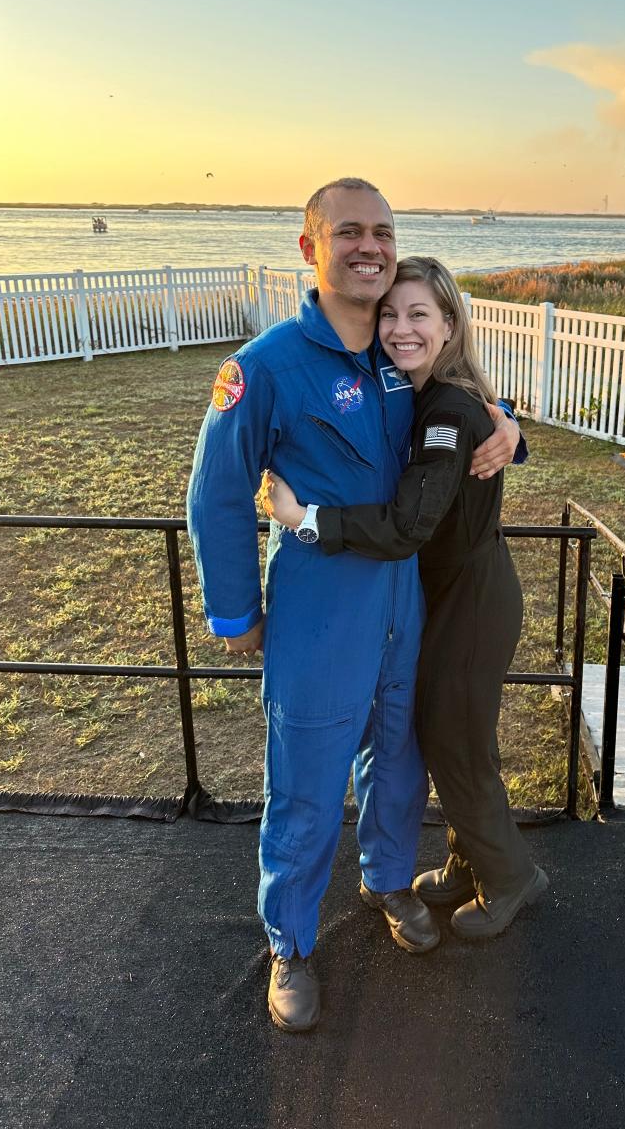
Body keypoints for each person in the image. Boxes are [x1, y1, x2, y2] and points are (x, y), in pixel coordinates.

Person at [186, 178, 521, 1033]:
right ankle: (290, 942)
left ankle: (386, 882)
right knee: (305, 782)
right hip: (318, 608)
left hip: (404, 602)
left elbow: (455, 396)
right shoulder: (264, 368)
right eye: (349, 233)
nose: (370, 247)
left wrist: (507, 418)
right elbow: (217, 494)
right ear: (311, 248)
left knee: (399, 759)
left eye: (382, 232)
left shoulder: (395, 351)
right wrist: (236, 613)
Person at [263, 255, 547, 948]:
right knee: (448, 732)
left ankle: (511, 876)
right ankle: (468, 857)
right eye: (390, 313)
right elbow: (479, 426)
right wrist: (508, 422)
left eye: (419, 314)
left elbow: (407, 526)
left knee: (455, 742)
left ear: (450, 323)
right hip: (448, 593)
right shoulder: (420, 394)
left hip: (471, 600)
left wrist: (307, 520)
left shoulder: (445, 408)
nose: (399, 328)